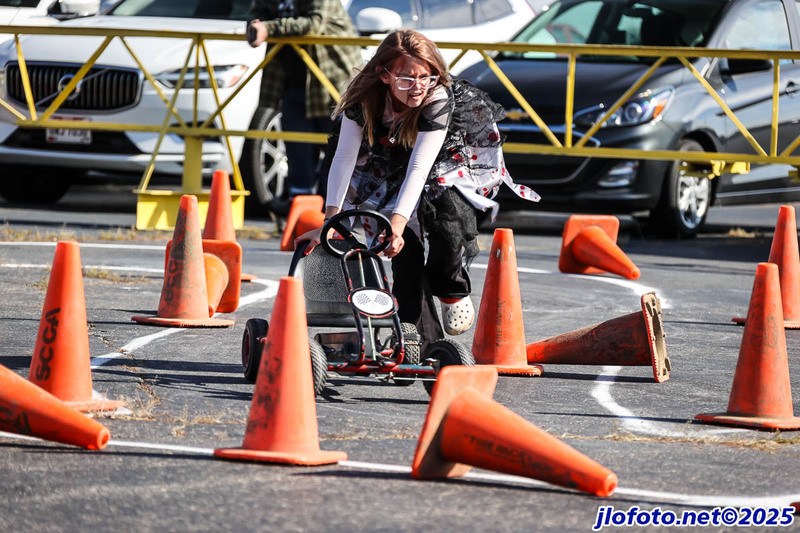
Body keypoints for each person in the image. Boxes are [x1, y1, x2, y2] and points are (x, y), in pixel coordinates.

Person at [298, 29, 540, 346]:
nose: (417, 87)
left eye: (424, 77)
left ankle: (451, 286)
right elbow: (343, 159)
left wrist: (397, 223)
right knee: (403, 248)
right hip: (388, 158)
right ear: (384, 75)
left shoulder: (435, 98)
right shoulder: (363, 100)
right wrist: (331, 223)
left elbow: (420, 167)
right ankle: (415, 340)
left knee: (444, 207)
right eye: (406, 79)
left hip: (444, 155)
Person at [246, 0, 363, 215]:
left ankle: (333, 215)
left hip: (332, 82)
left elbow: (314, 24)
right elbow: (257, 15)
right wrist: (256, 25)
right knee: (298, 152)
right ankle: (301, 215)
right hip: (293, 81)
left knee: (337, 150)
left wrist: (268, 28)